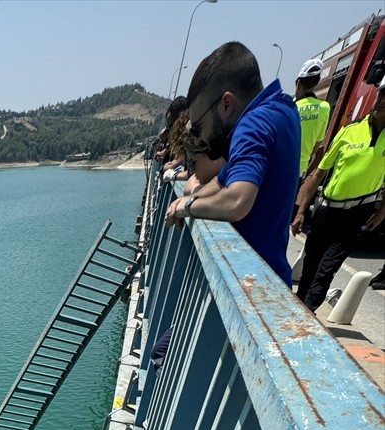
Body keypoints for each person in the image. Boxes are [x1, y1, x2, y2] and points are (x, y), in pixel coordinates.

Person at [164, 42, 300, 285]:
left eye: (198, 125)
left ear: (226, 103)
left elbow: (237, 200)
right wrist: (186, 199)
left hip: (254, 286)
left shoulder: (252, 125)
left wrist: (188, 208)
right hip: (269, 276)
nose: (201, 137)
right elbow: (222, 180)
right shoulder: (282, 108)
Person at [293, 85, 385, 313]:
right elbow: (319, 173)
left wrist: (382, 212)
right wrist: (301, 210)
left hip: (358, 212)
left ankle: (308, 312)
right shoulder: (350, 131)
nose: (382, 101)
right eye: (381, 94)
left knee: (327, 269)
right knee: (311, 265)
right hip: (327, 209)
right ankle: (297, 308)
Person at [294, 59, 331, 179]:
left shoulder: (291, 107)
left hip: (278, 166)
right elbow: (317, 146)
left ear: (298, 83)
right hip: (299, 171)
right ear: (317, 82)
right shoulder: (324, 107)